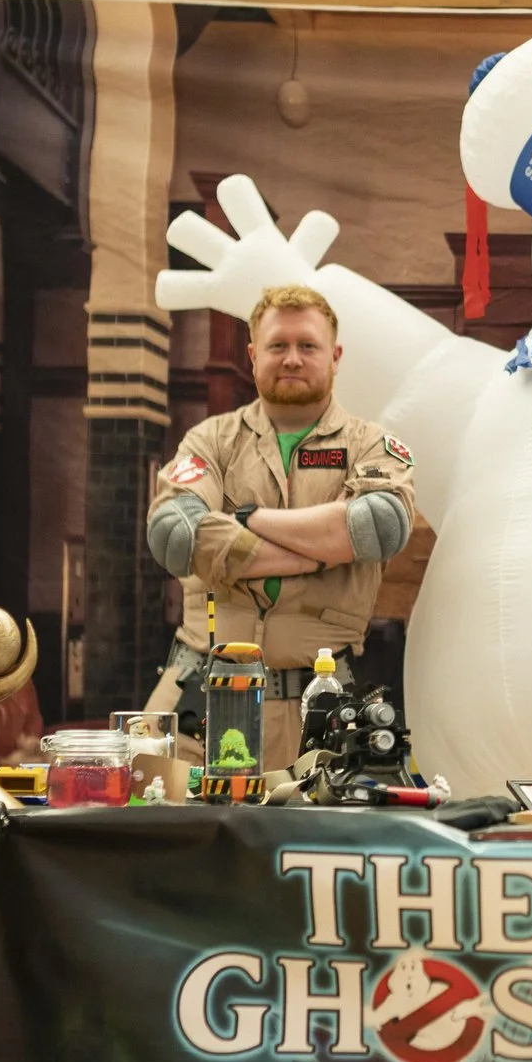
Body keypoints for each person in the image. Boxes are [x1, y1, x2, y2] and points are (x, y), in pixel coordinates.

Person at [144, 285, 416, 772]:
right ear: (253, 356)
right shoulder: (210, 441)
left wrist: (247, 520)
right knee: (160, 816)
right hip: (196, 702)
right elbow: (175, 535)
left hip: (322, 708)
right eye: (278, 346)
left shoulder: (372, 446)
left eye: (307, 345)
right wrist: (318, 550)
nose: (292, 358)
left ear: (335, 356)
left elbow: (379, 526)